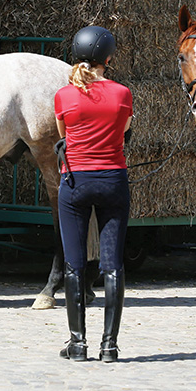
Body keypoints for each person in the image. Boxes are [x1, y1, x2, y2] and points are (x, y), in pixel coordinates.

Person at [54, 25, 132, 362]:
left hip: (75, 183)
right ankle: (109, 346)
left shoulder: (63, 96)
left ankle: (78, 344)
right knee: (113, 264)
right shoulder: (123, 94)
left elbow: (64, 135)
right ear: (108, 59)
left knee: (74, 264)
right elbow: (123, 131)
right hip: (113, 180)